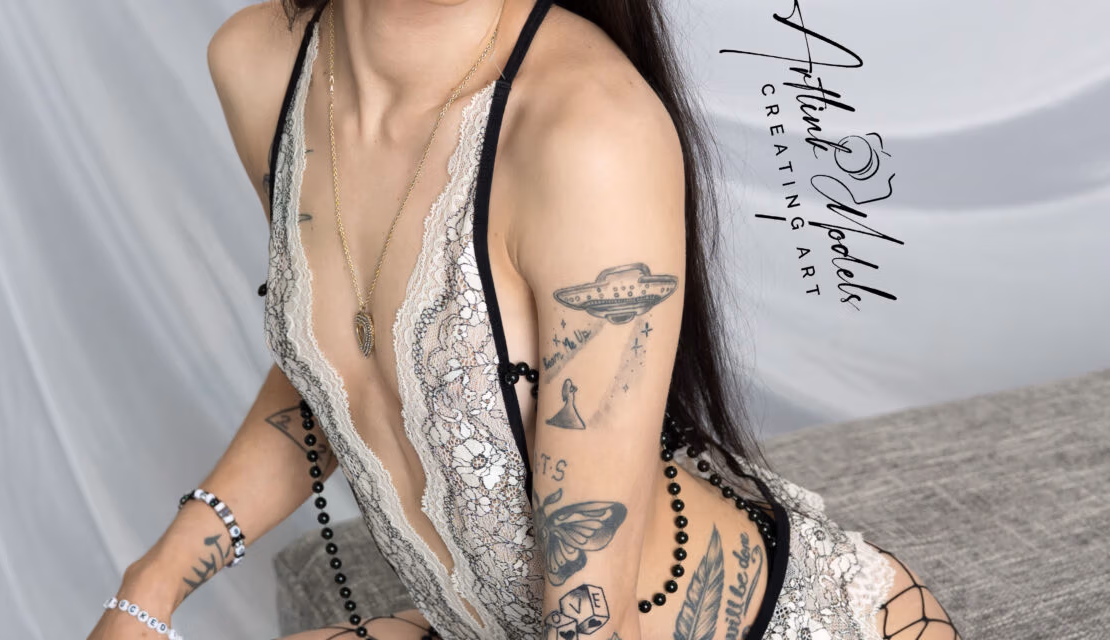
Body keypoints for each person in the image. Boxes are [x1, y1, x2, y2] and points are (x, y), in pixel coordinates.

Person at [89, 1, 962, 638]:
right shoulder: (261, 68)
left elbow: (592, 616)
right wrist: (151, 587)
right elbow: (344, 367)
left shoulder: (588, 132)